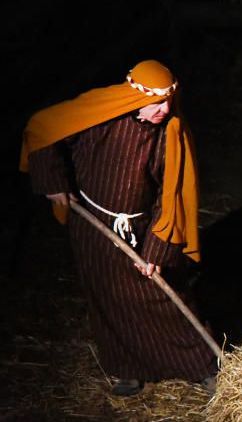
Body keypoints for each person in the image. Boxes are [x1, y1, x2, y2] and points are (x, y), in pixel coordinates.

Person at [20, 60, 218, 397]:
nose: (165, 109)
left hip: (140, 228)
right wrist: (53, 182)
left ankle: (202, 367)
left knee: (160, 297)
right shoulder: (98, 116)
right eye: (157, 102)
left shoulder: (170, 134)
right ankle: (128, 369)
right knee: (105, 295)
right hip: (91, 224)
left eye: (170, 100)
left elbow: (169, 200)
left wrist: (156, 249)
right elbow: (43, 130)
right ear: (134, 97)